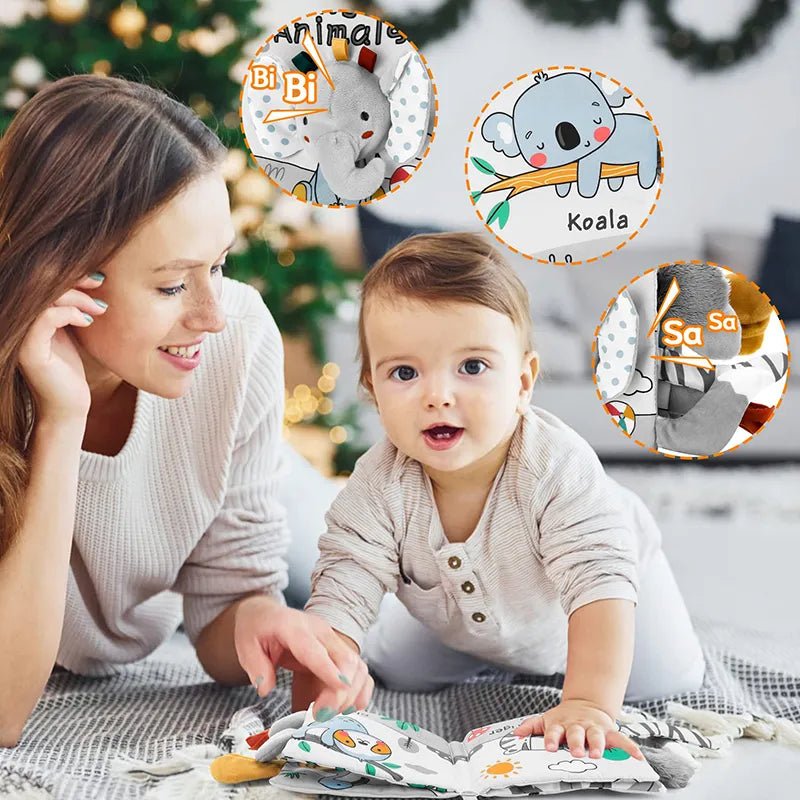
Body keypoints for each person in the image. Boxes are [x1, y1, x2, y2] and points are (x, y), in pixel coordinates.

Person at [0, 75, 371, 748]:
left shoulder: (236, 336)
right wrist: (60, 423)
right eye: (172, 283)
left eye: (220, 267)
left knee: (399, 619)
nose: (211, 316)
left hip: (241, 473)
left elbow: (224, 604)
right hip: (155, 496)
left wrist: (260, 618)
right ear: (59, 275)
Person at [299, 232, 706, 757]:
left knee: (665, 679)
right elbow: (342, 586)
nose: (438, 396)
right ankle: (484, 651)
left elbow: (597, 578)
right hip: (461, 617)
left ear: (522, 382)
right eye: (404, 372)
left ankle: (583, 651)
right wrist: (320, 695)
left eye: (472, 367)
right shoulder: (378, 485)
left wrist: (587, 705)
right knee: (397, 669)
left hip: (591, 597)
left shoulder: (553, 466)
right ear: (373, 391)